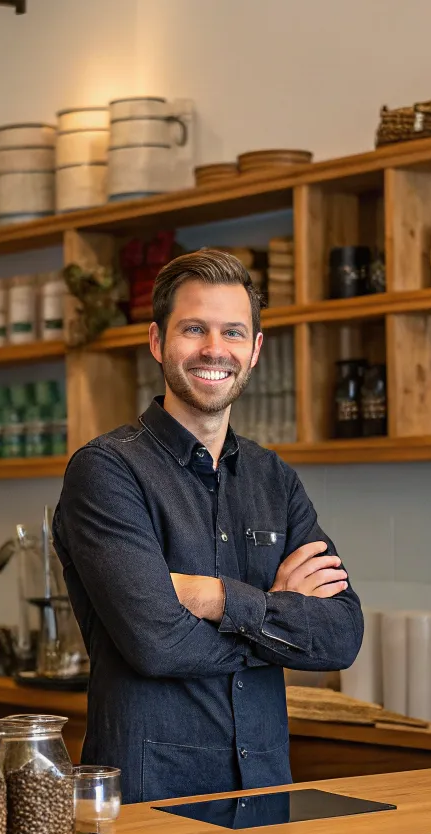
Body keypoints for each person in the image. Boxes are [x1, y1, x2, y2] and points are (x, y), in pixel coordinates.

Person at [53, 249, 363, 803]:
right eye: (194, 329)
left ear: (256, 350)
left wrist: (214, 597)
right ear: (157, 342)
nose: (214, 350)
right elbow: (157, 644)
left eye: (233, 333)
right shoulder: (106, 472)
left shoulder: (275, 479)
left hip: (266, 794)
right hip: (151, 800)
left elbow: (341, 634)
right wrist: (276, 620)